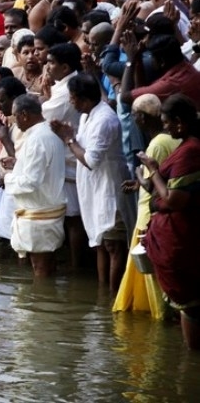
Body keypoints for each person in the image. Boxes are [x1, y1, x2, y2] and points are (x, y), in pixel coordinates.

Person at [51, 74, 135, 292]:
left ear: (83, 98)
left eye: (72, 97)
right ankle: (102, 296)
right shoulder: (88, 116)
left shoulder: (104, 119)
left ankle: (114, 297)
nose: (70, 101)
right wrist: (69, 135)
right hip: (94, 191)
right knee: (99, 244)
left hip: (110, 191)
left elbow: (91, 160)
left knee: (113, 245)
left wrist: (69, 139)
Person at [138, 94, 200, 349]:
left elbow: (174, 199)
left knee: (191, 305)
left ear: (179, 123)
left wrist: (153, 169)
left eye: (166, 122)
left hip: (183, 238)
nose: (164, 127)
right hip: (180, 236)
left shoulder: (191, 151)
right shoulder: (187, 146)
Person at [113, 93, 179, 319]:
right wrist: (138, 182)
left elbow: (153, 184)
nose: (133, 119)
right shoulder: (169, 139)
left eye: (134, 115)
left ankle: (162, 320)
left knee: (153, 279)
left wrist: (140, 175)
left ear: (141, 117)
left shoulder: (158, 143)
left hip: (149, 219)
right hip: (157, 214)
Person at [4, 94, 66, 277]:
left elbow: (31, 181)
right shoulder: (45, 134)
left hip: (39, 213)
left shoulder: (38, 138)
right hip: (46, 208)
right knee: (46, 265)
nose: (14, 122)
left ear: (24, 115)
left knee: (41, 268)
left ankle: (41, 302)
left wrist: (8, 178)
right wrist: (17, 165)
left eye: (14, 116)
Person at [40, 43, 87, 268]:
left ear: (65, 67)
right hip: (66, 156)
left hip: (70, 158)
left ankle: (77, 266)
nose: (46, 66)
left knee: (72, 218)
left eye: (51, 62)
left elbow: (44, 115)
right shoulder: (64, 84)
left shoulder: (70, 88)